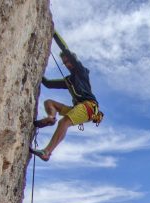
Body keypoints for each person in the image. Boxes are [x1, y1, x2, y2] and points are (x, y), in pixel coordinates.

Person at [30, 31, 103, 161]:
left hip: (89, 106)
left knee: (64, 122)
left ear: (73, 61)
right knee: (49, 103)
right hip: (79, 107)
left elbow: (65, 48)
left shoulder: (81, 71)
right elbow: (48, 84)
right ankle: (51, 118)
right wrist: (34, 69)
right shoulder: (68, 81)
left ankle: (47, 152)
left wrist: (52, 32)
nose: (67, 64)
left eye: (68, 61)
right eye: (65, 62)